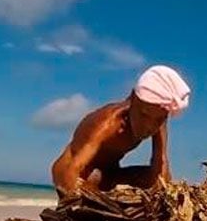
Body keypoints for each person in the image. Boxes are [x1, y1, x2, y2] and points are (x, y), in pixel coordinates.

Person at [51, 65, 191, 199]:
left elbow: (161, 165)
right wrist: (78, 203)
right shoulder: (107, 124)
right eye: (144, 115)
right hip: (72, 171)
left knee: (155, 180)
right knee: (93, 180)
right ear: (133, 99)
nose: (149, 126)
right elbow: (73, 169)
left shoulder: (157, 119)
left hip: (109, 175)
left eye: (159, 119)